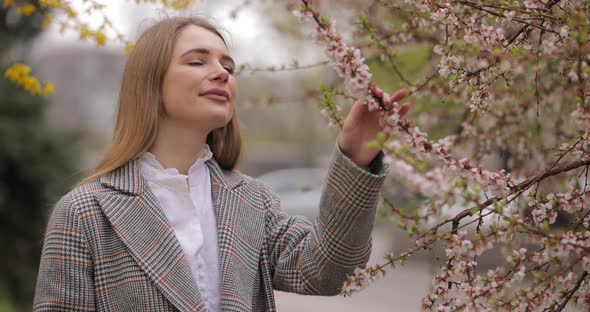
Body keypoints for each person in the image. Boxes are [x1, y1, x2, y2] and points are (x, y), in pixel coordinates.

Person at [33, 16, 409, 312]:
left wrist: (357, 153)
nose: (222, 72)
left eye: (228, 65)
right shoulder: (86, 213)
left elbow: (328, 272)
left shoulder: (251, 201)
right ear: (150, 83)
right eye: (197, 61)